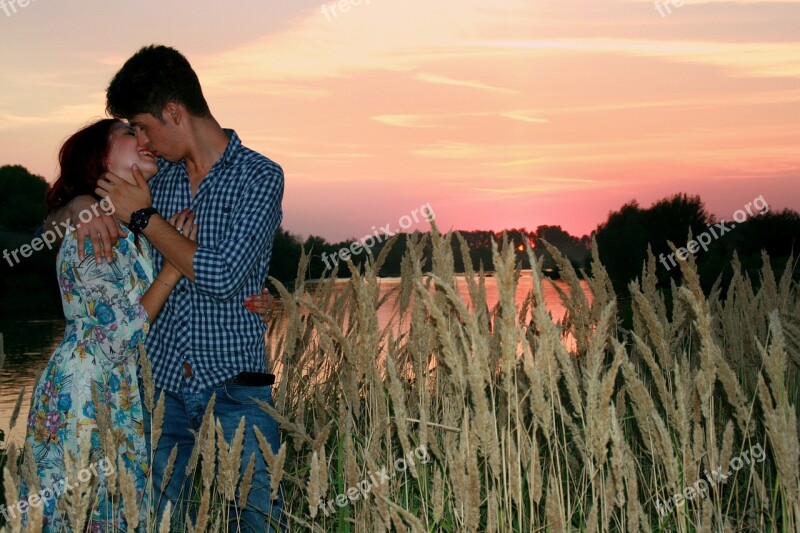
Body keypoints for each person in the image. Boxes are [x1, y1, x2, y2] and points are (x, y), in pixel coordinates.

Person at [52, 45, 285, 532]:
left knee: (259, 519)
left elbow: (222, 277)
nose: (143, 140)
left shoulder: (260, 176)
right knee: (155, 523)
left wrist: (145, 218)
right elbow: (65, 211)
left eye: (143, 126)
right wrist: (74, 206)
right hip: (158, 393)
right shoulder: (155, 178)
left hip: (237, 387)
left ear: (174, 112)